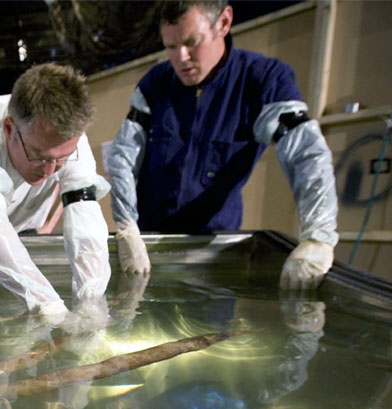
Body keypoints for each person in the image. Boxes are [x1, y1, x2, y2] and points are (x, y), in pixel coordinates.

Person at [109, 0, 339, 290]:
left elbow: (307, 155)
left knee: (212, 334)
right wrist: (126, 225)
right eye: (170, 47)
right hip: (148, 247)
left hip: (215, 255)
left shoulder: (264, 82)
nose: (181, 58)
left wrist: (318, 235)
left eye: (192, 42)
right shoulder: (155, 84)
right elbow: (123, 157)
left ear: (224, 22)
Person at [0, 63, 111, 321]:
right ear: (9, 128)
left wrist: (90, 304)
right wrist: (49, 305)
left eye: (61, 159)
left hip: (23, 226)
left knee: (19, 319)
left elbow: (86, 225)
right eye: (39, 156)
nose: (50, 171)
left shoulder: (71, 139)